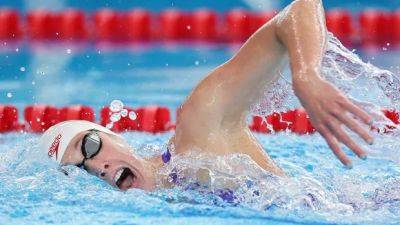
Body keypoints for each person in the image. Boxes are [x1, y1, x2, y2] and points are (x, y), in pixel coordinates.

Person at [40, 0, 374, 191]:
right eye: (78, 171)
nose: (98, 167)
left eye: (90, 145)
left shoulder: (200, 130)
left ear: (116, 136)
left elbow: (300, 9)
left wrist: (306, 74)